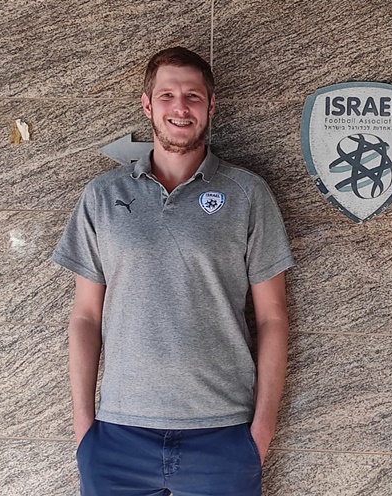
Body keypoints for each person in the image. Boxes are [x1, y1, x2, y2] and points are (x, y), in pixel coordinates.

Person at [51, 46, 295, 496]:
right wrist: (84, 431)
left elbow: (272, 317)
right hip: (117, 436)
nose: (180, 107)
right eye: (167, 95)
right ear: (147, 105)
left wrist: (260, 433)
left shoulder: (246, 193)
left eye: (192, 96)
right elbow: (85, 316)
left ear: (211, 106)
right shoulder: (102, 196)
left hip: (222, 434)